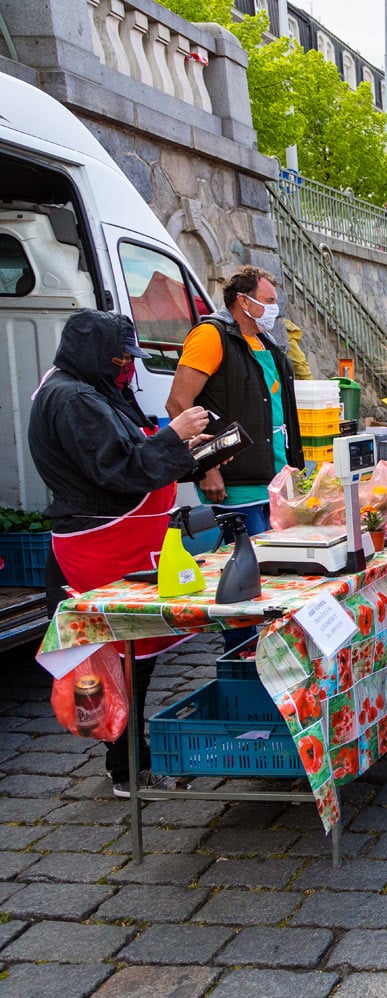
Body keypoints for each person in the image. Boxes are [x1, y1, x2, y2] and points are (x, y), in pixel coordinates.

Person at [30, 310, 211, 795]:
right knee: (119, 654)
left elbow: (135, 453)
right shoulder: (72, 397)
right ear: (94, 355)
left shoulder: (94, 389)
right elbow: (118, 468)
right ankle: (127, 764)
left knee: (131, 654)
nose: (125, 368)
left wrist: (191, 455)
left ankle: (129, 758)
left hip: (123, 537)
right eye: (118, 359)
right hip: (100, 544)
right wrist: (174, 437)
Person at [166, 265, 304, 536]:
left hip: (274, 479)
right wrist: (204, 467)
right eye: (269, 301)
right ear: (243, 300)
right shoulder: (210, 335)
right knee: (248, 567)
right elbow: (178, 403)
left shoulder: (264, 343)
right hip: (237, 487)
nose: (275, 309)